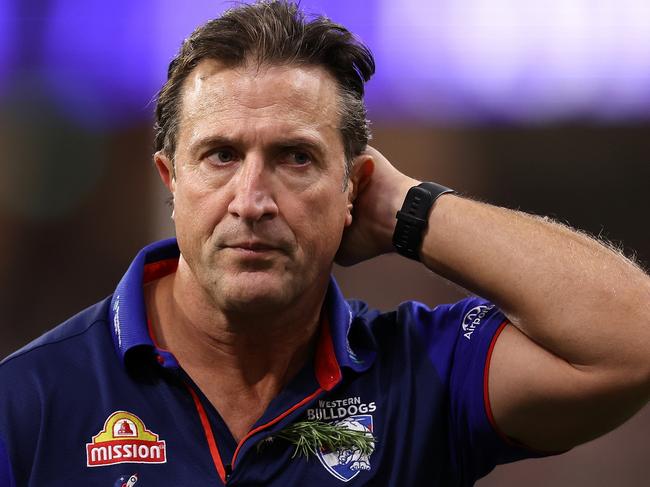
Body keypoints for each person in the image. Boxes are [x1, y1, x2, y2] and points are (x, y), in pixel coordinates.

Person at [1, 1, 649, 485]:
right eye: (221, 154)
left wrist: (408, 209)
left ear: (354, 187)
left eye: (295, 158)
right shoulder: (27, 401)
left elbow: (634, 335)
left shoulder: (419, 373)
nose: (252, 200)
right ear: (172, 181)